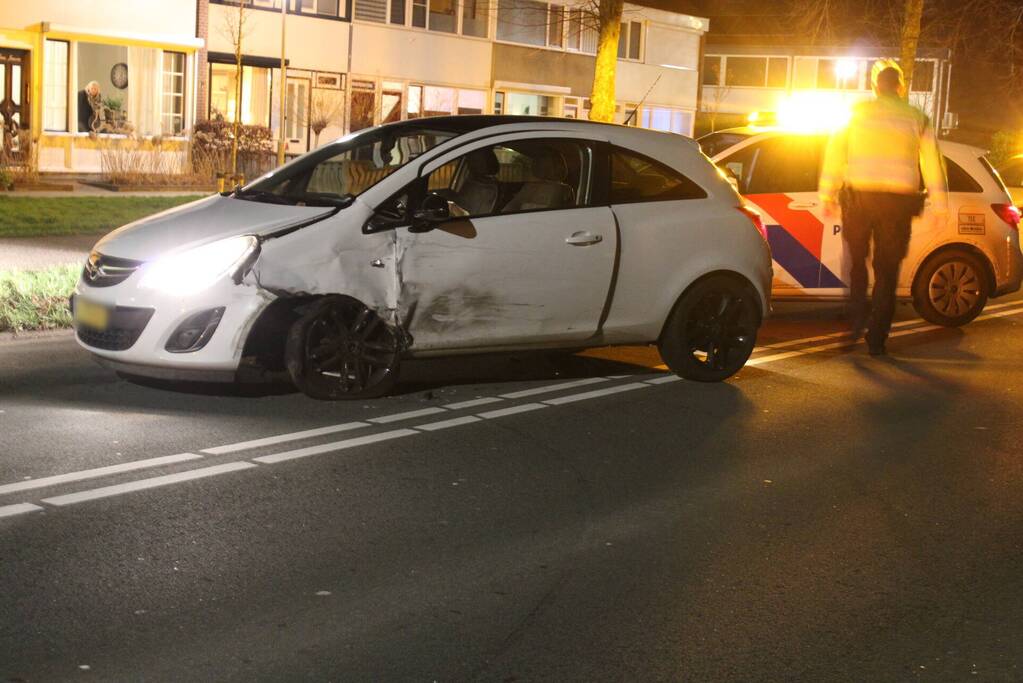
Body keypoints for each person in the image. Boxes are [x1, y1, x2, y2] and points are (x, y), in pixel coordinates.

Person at [819, 60, 948, 356]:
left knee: (857, 263)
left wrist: (827, 193)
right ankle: (877, 337)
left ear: (876, 87)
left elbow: (835, 153)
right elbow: (932, 162)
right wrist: (940, 204)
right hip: (898, 202)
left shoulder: (856, 113)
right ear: (901, 87)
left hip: (860, 199)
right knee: (887, 269)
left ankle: (854, 323)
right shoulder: (917, 116)